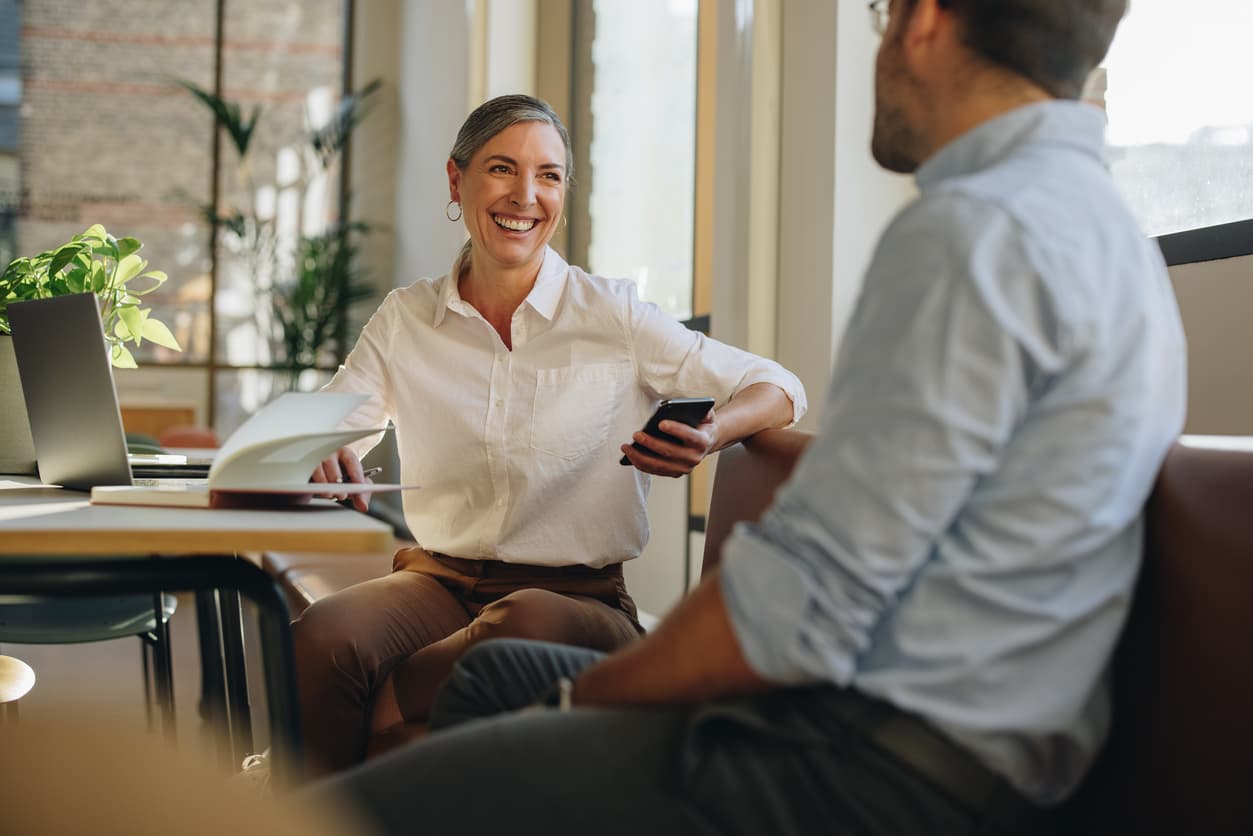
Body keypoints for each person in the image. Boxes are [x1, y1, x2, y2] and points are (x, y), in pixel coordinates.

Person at [300, 0, 1186, 833]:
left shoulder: (975, 232)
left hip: (864, 754)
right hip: (959, 734)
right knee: (495, 677)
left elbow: (792, 607)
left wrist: (580, 709)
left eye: (876, 14)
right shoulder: (1094, 226)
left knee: (385, 797)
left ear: (922, 21)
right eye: (501, 168)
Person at [286, 93, 806, 777]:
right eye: (501, 169)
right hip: (437, 581)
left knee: (523, 625)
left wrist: (710, 433)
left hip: (576, 600)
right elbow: (327, 426)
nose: (525, 195)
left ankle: (382, 721)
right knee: (324, 635)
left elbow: (777, 387)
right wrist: (326, 448)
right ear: (456, 180)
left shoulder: (613, 314)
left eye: (549, 175)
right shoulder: (407, 318)